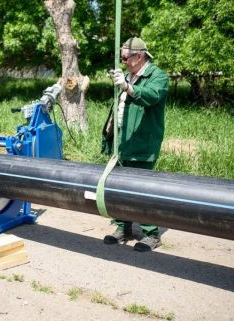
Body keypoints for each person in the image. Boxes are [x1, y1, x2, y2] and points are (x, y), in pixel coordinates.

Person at [101, 37, 169, 252]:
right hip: (122, 142)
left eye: (125, 58)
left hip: (142, 141)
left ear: (138, 56)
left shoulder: (157, 76)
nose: (123, 62)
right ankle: (123, 227)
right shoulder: (129, 74)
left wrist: (127, 87)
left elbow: (151, 96)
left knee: (141, 190)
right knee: (119, 187)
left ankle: (150, 233)